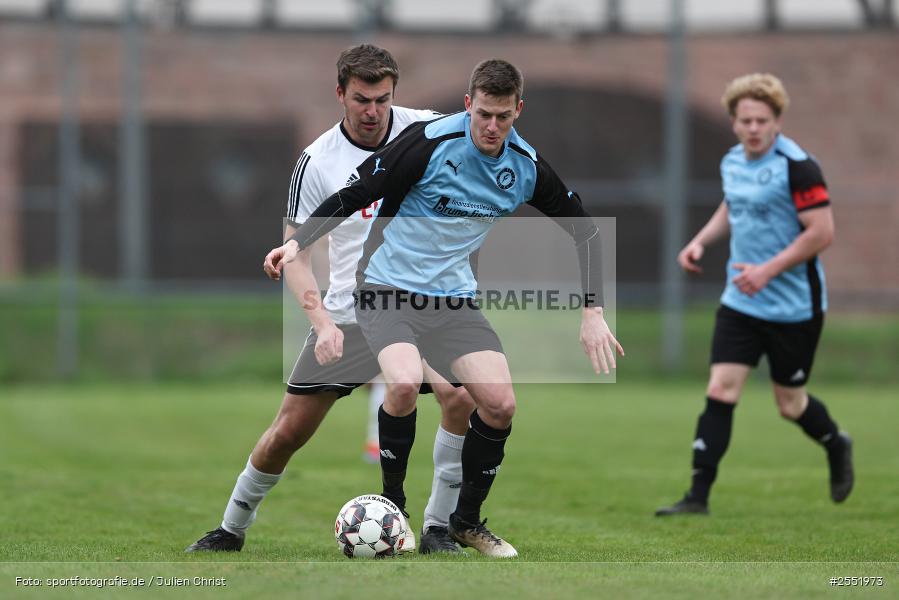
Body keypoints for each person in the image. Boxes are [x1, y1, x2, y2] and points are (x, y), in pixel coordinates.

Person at [264, 59, 624, 558]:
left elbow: (584, 230)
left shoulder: (525, 165)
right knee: (405, 381)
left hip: (453, 299)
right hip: (385, 288)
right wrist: (297, 242)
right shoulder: (431, 141)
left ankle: (464, 523)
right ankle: (394, 509)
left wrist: (592, 312)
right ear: (467, 105)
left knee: (499, 404)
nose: (492, 127)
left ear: (518, 110)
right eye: (483, 114)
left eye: (503, 116)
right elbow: (359, 191)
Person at [186, 44, 475, 555]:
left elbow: (482, 130)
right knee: (287, 433)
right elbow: (297, 251)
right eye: (362, 99)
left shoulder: (426, 129)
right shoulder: (317, 161)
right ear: (340, 93)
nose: (373, 111)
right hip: (349, 314)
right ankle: (230, 529)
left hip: (418, 306)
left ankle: (435, 528)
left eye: (383, 99)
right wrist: (321, 323)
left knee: (460, 397)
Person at [655, 73, 853, 516]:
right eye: (745, 120)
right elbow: (732, 205)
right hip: (741, 302)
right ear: (734, 122)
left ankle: (835, 442)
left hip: (793, 306)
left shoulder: (798, 166)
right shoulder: (732, 161)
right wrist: (700, 241)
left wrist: (767, 271)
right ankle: (697, 497)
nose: (753, 128)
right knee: (721, 388)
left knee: (790, 404)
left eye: (762, 120)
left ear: (777, 120)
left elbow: (822, 233)